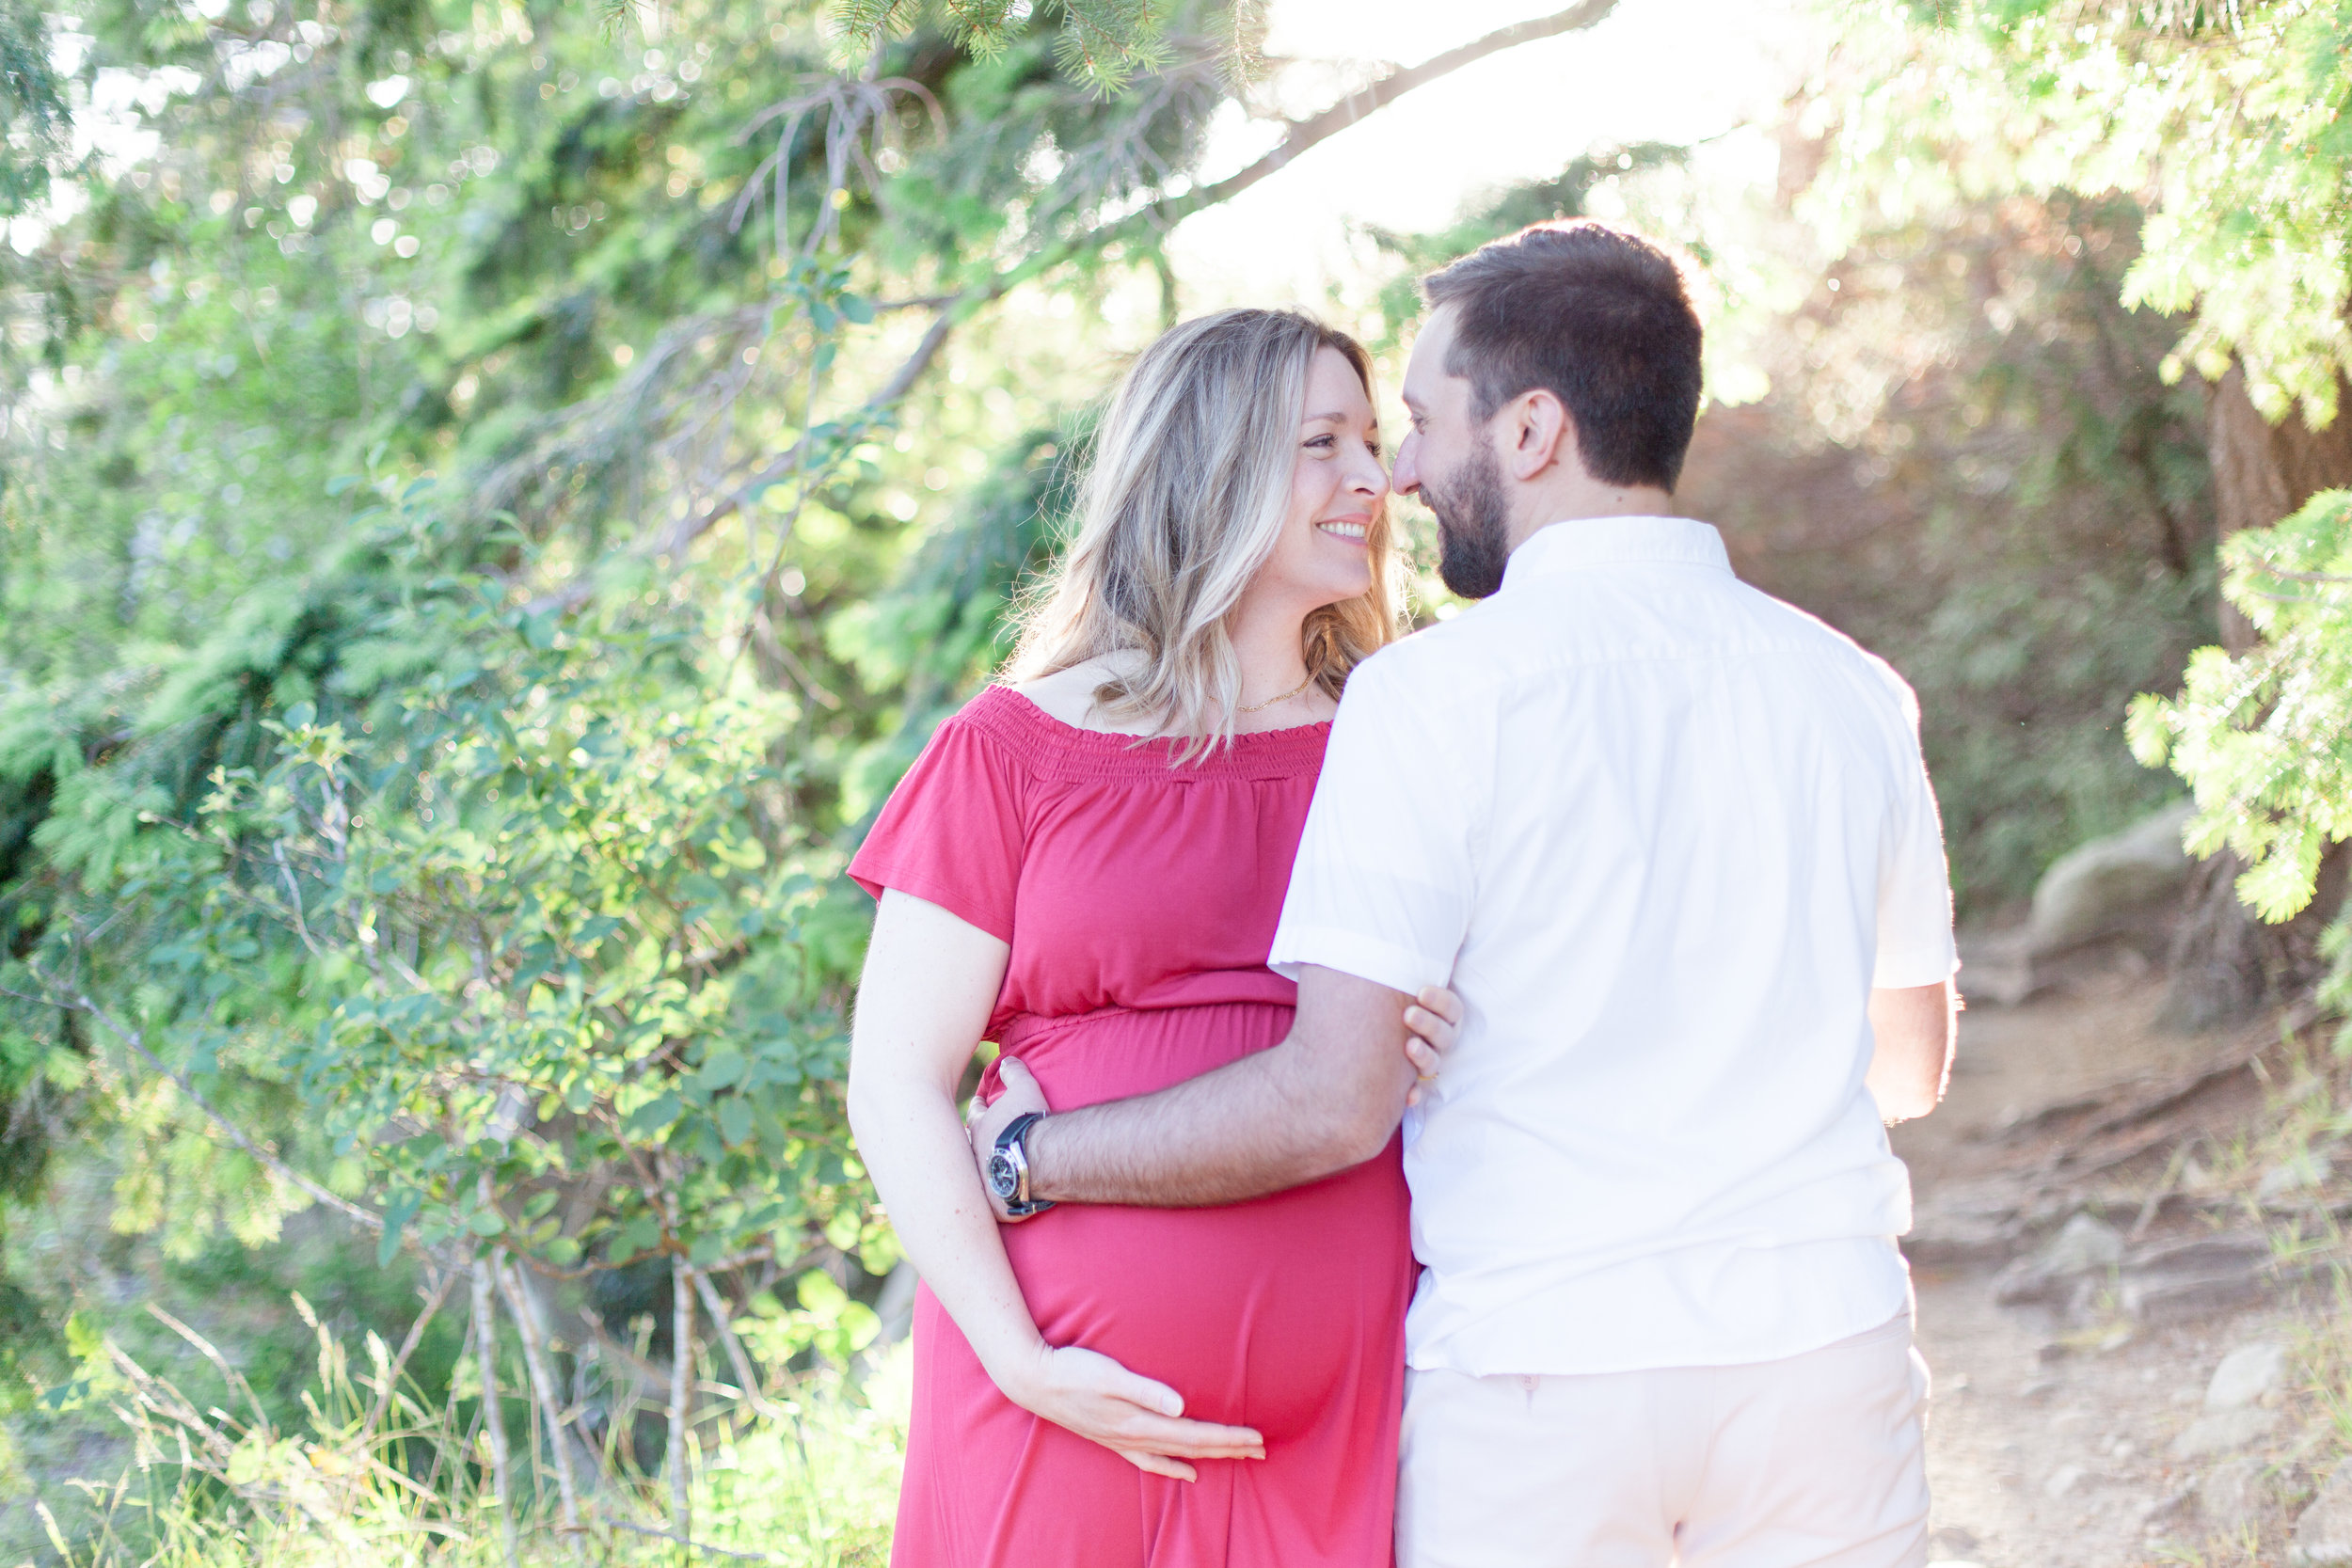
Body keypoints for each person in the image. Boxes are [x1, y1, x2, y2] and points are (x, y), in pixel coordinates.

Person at [971, 219, 1961, 1568]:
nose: (1406, 475)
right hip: (1825, 1354)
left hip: (1543, 1381)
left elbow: (1327, 1101)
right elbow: (1909, 1066)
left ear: (1536, 430)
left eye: (1425, 423)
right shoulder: (1853, 689)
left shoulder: (1435, 699)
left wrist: (1033, 1158)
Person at [846, 308, 1463, 1568]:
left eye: (1372, 438)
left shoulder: (1403, 738)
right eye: (1323, 443)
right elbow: (897, 1082)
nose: (1373, 480)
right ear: (1212, 464)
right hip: (1061, 1397)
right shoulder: (1013, 749)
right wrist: (1019, 1362)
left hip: (1352, 1399)